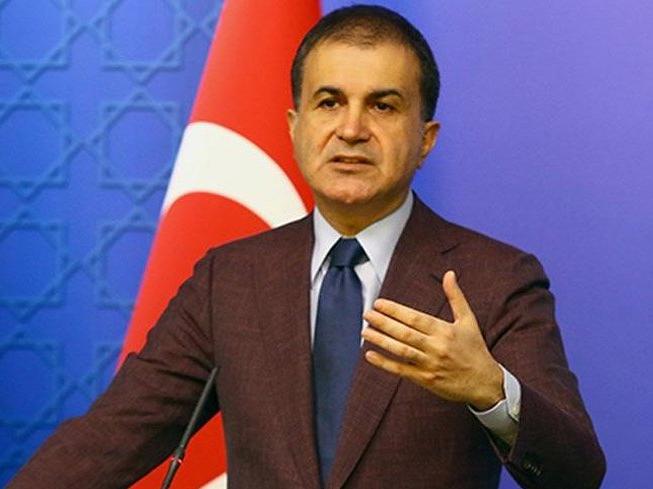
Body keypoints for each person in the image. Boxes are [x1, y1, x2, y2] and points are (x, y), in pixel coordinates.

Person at [10, 5, 605, 489]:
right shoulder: (230, 279)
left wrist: (490, 391)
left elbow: (576, 473)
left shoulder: (496, 279)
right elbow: (110, 440)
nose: (351, 129)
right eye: (329, 102)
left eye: (383, 105)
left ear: (426, 139)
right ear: (295, 127)